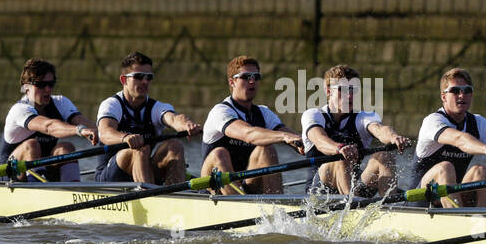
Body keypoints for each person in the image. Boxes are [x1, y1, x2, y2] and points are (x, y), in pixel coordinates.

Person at [412, 68, 486, 208]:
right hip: (421, 199)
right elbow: (460, 139)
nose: (462, 95)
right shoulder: (433, 121)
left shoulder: (478, 122)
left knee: (481, 171)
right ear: (443, 97)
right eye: (455, 91)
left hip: (453, 195)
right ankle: (455, 221)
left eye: (467, 90)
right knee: (445, 167)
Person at [200, 55, 304, 195]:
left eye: (256, 77)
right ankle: (237, 205)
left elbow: (291, 136)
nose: (252, 81)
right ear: (232, 82)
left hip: (245, 185)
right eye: (246, 76)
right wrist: (284, 136)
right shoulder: (220, 112)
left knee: (267, 149)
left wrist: (308, 144)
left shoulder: (263, 113)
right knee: (220, 153)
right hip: (213, 186)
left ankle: (277, 207)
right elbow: (248, 134)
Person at [301, 64, 411, 196]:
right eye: (343, 89)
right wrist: (339, 148)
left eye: (353, 89)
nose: (350, 96)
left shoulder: (363, 117)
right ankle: (353, 206)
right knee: (340, 158)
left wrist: (394, 138)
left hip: (354, 189)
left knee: (384, 155)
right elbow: (319, 140)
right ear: (328, 91)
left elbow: (380, 129)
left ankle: (390, 208)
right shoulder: (313, 115)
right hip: (319, 192)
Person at [94, 52, 201, 184]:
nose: (145, 82)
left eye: (149, 77)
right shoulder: (111, 105)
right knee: (140, 149)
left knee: (175, 145)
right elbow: (105, 133)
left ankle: (174, 195)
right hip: (110, 178)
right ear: (124, 80)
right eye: (138, 76)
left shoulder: (156, 107)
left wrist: (187, 125)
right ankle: (150, 195)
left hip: (142, 170)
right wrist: (125, 138)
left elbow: (174, 119)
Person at [0, 58, 96, 182]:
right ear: (26, 87)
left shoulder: (60, 102)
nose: (47, 89)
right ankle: (37, 189)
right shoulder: (20, 109)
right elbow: (48, 126)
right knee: (32, 145)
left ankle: (74, 191)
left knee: (66, 148)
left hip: (43, 170)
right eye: (41, 84)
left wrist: (112, 134)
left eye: (51, 84)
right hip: (10, 173)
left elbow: (82, 120)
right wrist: (80, 130)